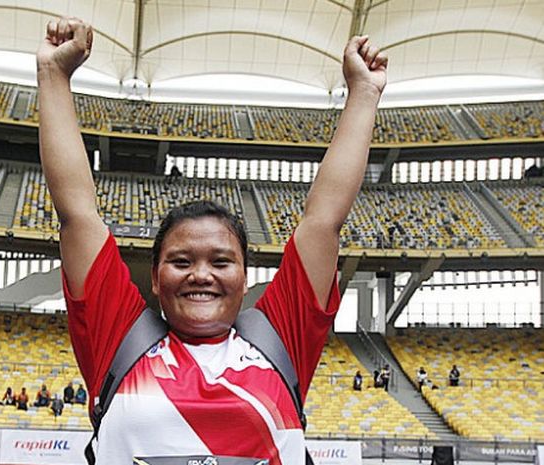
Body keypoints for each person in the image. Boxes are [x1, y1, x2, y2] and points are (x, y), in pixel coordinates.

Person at [38, 16, 387, 463]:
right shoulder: (119, 337)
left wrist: (363, 92)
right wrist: (53, 75)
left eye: (221, 262)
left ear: (245, 279)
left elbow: (323, 220)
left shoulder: (279, 339)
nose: (201, 274)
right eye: (181, 261)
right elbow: (77, 213)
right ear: (156, 279)